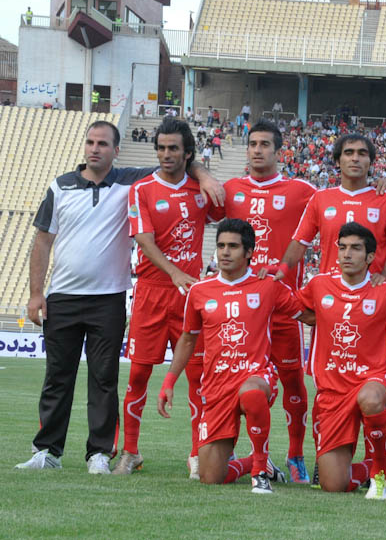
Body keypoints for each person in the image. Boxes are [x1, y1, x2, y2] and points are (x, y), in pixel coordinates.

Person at [15, 120, 221, 474]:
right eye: (90, 142)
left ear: (116, 150)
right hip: (66, 295)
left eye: (103, 143)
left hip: (111, 297)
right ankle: (49, 451)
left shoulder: (130, 181)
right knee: (58, 377)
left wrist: (204, 174)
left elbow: (180, 163)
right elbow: (42, 241)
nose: (95, 148)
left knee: (105, 378)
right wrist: (36, 294)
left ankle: (100, 453)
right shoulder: (63, 186)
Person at [157, 219, 313, 493]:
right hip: (217, 387)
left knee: (252, 394)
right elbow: (188, 339)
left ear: (249, 252)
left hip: (256, 376)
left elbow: (310, 315)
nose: (225, 252)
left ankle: (259, 474)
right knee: (210, 476)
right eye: (220, 246)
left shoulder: (268, 285)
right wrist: (169, 382)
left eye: (233, 246)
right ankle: (256, 462)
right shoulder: (199, 290)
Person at [113, 118, 224, 477]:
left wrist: (203, 174)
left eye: (173, 148)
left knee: (198, 378)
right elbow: (143, 239)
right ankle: (130, 452)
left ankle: (196, 455)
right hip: (151, 293)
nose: (165, 154)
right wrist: (174, 271)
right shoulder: (142, 190)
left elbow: (225, 212)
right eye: (160, 148)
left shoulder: (200, 189)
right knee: (139, 375)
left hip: (189, 297)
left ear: (187, 152)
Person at [296, 223, 386, 499]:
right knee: (333, 484)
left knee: (370, 399)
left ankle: (378, 476)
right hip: (332, 391)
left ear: (369, 257)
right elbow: (296, 309)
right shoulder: (319, 285)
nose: (346, 254)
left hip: (375, 378)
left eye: (355, 248)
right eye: (342, 248)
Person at [223, 120, 317, 482]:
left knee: (293, 381)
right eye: (252, 144)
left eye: (265, 144)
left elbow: (342, 203)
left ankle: (295, 455)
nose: (257, 150)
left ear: (279, 151)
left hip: (282, 308)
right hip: (239, 310)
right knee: (234, 380)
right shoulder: (230, 189)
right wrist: (202, 173)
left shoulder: (302, 191)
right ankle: (230, 450)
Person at [276, 133, 386, 286]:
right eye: (349, 152)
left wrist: (385, 276)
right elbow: (300, 242)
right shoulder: (320, 198)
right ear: (338, 161)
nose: (355, 158)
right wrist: (283, 268)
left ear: (371, 162)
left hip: (371, 293)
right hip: (329, 292)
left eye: (362, 153)